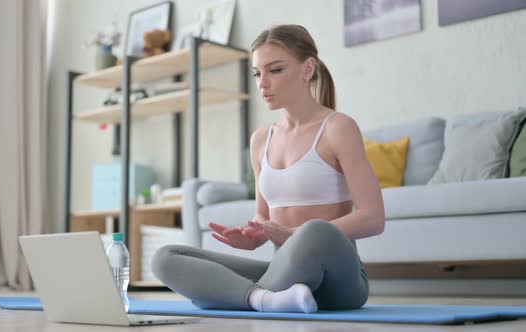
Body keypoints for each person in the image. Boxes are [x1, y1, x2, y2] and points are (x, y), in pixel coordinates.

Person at [152, 24, 384, 313]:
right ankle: (264, 299)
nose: (262, 83)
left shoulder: (338, 128)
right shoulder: (261, 139)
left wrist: (295, 234)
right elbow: (262, 216)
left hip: (338, 283)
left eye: (275, 70)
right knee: (166, 256)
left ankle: (233, 296)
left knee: (315, 231)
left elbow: (373, 217)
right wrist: (252, 236)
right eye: (257, 73)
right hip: (282, 273)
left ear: (307, 68)